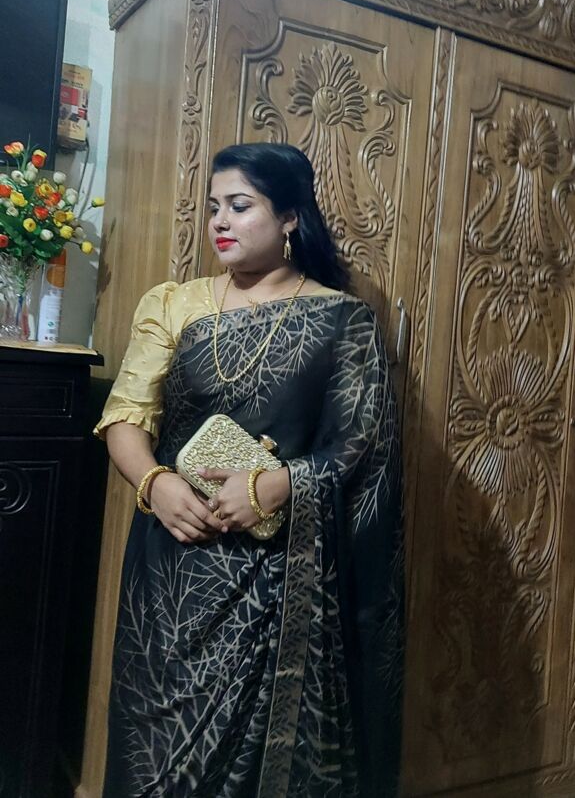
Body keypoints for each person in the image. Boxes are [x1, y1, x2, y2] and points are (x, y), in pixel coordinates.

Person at [95, 142, 403, 798]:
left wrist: (279, 483)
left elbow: (361, 441)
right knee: (154, 753)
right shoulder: (174, 304)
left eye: (240, 206)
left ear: (290, 216)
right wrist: (155, 483)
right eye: (214, 207)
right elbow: (124, 417)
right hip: (173, 561)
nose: (220, 222)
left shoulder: (341, 319)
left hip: (277, 575)